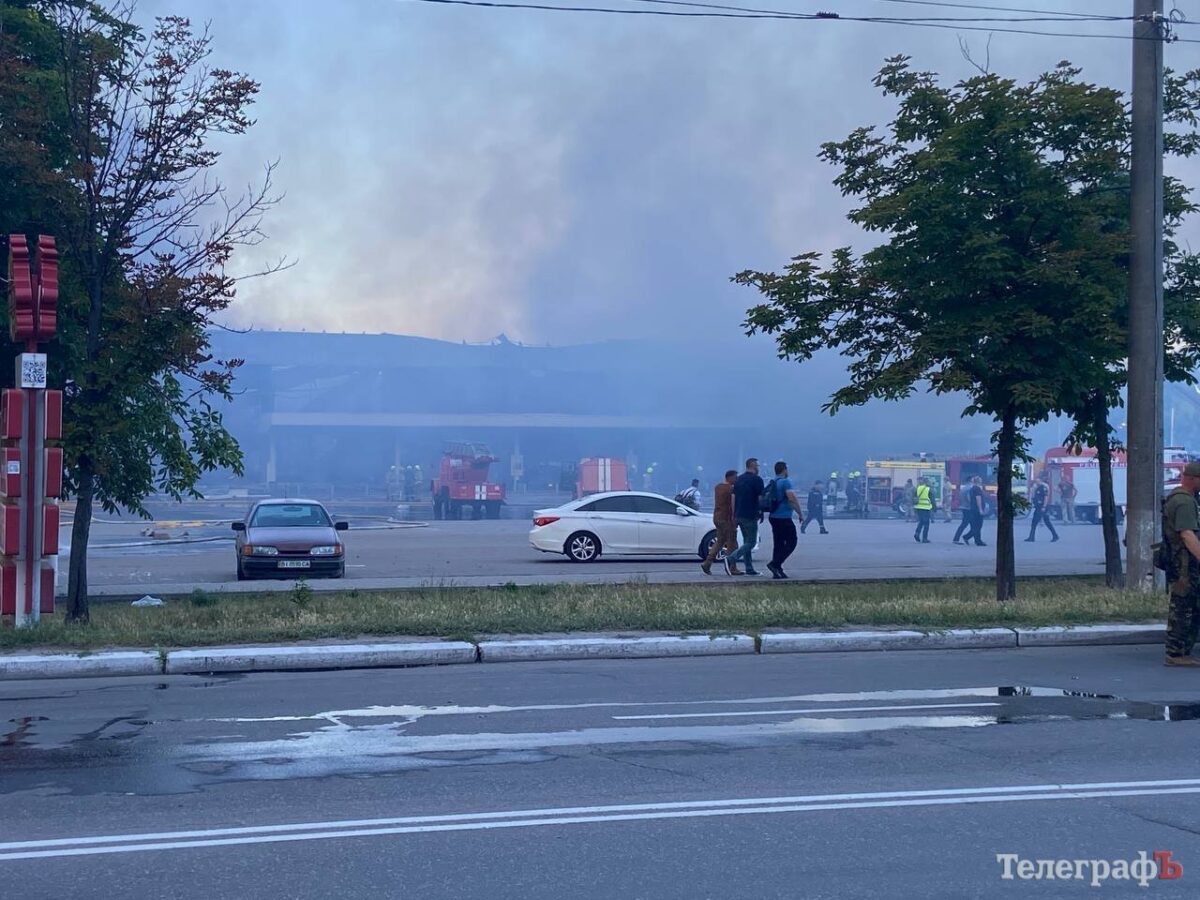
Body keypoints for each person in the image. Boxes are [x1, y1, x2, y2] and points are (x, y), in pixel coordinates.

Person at [1164, 462, 1200, 666]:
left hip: (1183, 562)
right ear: (1193, 479)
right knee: (1183, 607)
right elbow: (1187, 535)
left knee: (1190, 605)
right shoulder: (1184, 502)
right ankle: (1176, 654)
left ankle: (1182, 651)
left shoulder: (1184, 499)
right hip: (1185, 565)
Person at [767, 461, 804, 579]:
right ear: (784, 470)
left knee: (778, 544)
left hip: (773, 517)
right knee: (792, 542)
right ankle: (775, 564)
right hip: (784, 517)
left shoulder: (774, 481)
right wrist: (800, 513)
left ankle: (777, 570)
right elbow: (792, 499)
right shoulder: (786, 482)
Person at [729, 459, 765, 576]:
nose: (759, 467)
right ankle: (731, 558)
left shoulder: (739, 479)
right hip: (750, 515)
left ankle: (749, 568)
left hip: (739, 514)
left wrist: (734, 514)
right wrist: (761, 511)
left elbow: (733, 498)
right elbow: (760, 498)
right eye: (758, 465)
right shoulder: (757, 480)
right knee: (751, 542)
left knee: (746, 542)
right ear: (753, 466)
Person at [701, 470, 741, 576]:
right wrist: (734, 518)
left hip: (717, 517)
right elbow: (732, 504)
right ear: (730, 477)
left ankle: (707, 563)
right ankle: (732, 567)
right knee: (732, 544)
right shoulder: (731, 489)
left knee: (720, 541)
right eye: (735, 477)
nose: (737, 480)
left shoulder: (718, 487)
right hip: (727, 518)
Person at [1025, 473, 1060, 543]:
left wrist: (1044, 506)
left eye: (1038, 480)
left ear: (1040, 480)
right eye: (1036, 481)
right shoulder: (1036, 487)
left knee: (1035, 522)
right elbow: (1034, 496)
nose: (1036, 481)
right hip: (1038, 507)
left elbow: (1046, 498)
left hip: (1042, 507)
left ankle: (1032, 537)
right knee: (1046, 522)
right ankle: (1055, 535)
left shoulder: (1043, 487)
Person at [963, 476, 987, 547]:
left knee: (975, 526)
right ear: (978, 481)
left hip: (972, 509)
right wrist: (980, 509)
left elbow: (969, 498)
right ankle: (968, 537)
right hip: (977, 510)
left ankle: (977, 540)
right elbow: (978, 499)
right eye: (981, 480)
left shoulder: (972, 489)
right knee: (978, 526)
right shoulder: (977, 489)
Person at [913, 477, 933, 543]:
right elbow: (932, 499)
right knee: (926, 523)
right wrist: (934, 508)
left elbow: (914, 496)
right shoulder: (929, 489)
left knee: (921, 521)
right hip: (926, 508)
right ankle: (924, 538)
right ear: (927, 482)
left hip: (918, 507)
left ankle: (917, 533)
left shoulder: (918, 488)